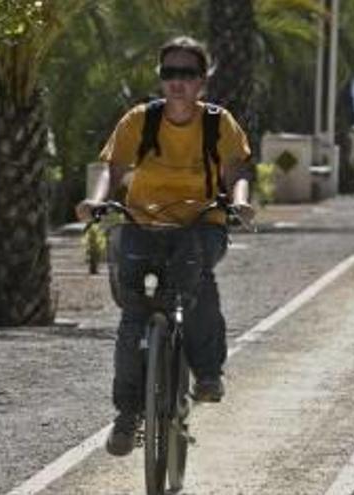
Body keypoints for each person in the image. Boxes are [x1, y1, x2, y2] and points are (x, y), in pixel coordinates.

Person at [75, 36, 253, 457]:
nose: (177, 83)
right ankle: (127, 415)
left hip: (201, 223)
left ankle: (207, 373)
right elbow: (112, 168)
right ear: (160, 79)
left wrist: (241, 202)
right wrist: (98, 200)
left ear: (202, 81)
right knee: (134, 314)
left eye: (187, 74)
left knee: (194, 280)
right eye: (169, 73)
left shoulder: (217, 123)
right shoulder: (140, 120)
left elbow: (237, 169)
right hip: (143, 221)